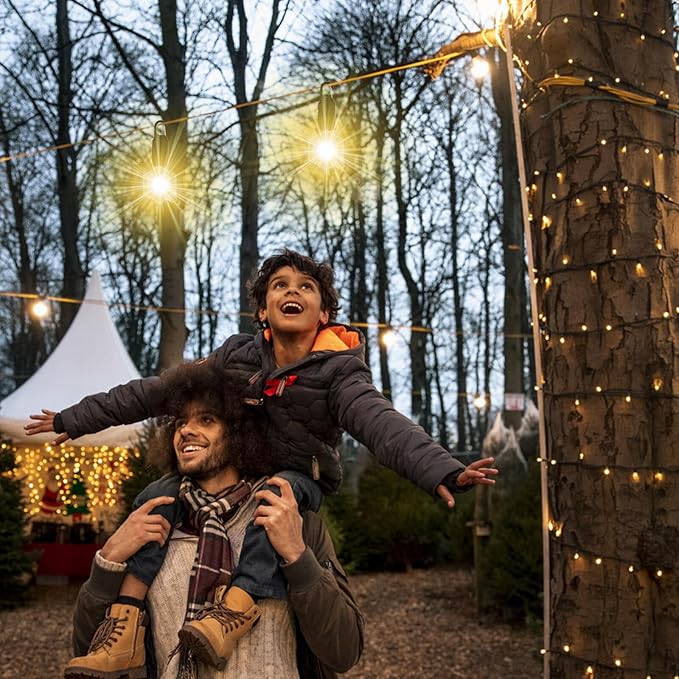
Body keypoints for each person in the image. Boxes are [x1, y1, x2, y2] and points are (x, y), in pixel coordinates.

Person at [29, 249, 497, 674]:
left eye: (306, 286)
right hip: (247, 467)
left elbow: (380, 422)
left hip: (300, 473)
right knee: (155, 497)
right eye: (279, 285)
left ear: (324, 313)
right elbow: (158, 390)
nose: (292, 291)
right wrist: (77, 418)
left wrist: (440, 468)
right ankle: (126, 625)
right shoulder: (238, 356)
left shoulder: (339, 371)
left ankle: (238, 603)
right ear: (262, 310)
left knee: (274, 500)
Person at [66, 361, 364, 679]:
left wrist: (297, 555)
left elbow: (343, 651)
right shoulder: (151, 524)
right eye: (180, 422)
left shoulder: (288, 518)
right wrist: (109, 559)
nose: (186, 430)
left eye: (206, 420)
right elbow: (88, 651)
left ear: (239, 432)